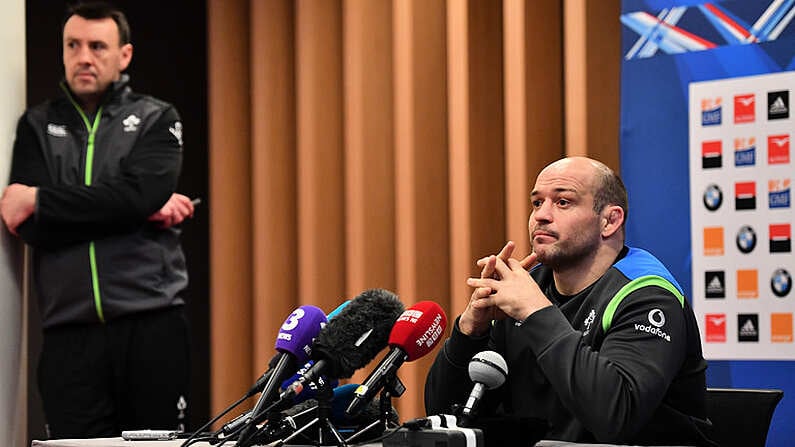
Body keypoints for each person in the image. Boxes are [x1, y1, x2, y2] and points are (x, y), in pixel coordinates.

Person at [1, 1, 194, 439]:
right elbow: (27, 223)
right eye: (73, 45)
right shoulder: (36, 124)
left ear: (123, 55)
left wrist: (42, 200)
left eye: (97, 46)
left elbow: (140, 193)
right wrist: (134, 208)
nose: (83, 57)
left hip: (151, 325)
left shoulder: (156, 118)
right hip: (69, 334)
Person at [425, 156, 716, 446]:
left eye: (563, 202)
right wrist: (469, 333)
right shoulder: (526, 289)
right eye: (537, 203)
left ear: (610, 220)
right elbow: (445, 419)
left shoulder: (648, 295)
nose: (541, 215)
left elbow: (615, 417)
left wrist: (537, 313)